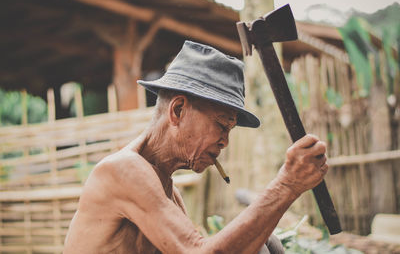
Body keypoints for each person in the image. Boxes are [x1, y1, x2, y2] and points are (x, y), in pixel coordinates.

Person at [63, 41, 328, 254]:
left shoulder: (171, 196)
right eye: (221, 126)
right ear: (178, 110)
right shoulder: (122, 170)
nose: (225, 141)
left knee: (266, 245)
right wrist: (285, 186)